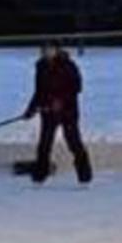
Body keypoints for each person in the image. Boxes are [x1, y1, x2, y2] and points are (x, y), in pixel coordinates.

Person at [26, 42, 93, 185]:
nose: (45, 53)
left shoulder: (68, 65)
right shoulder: (41, 66)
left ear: (57, 50)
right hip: (49, 112)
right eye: (43, 50)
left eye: (49, 50)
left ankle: (85, 176)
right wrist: (31, 109)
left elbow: (77, 87)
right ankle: (40, 176)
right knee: (44, 144)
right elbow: (39, 91)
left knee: (74, 142)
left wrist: (61, 101)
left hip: (68, 111)